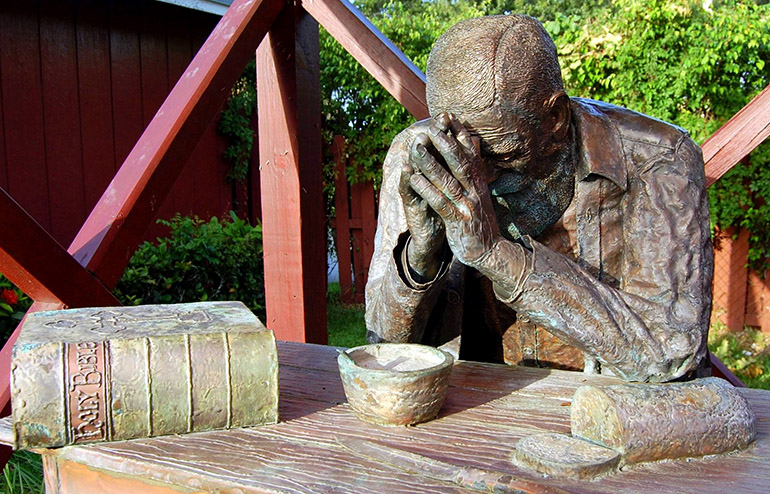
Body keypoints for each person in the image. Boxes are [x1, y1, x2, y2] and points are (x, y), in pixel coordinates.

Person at [364, 15, 713, 382]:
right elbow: (381, 350)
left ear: (557, 117)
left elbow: (673, 352)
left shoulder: (658, 159)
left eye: (501, 152)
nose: (477, 177)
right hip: (473, 409)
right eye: (464, 154)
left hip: (604, 413)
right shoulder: (419, 156)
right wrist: (421, 255)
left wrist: (493, 253)